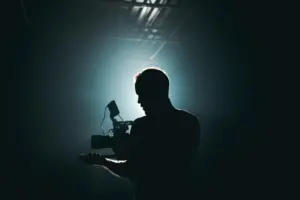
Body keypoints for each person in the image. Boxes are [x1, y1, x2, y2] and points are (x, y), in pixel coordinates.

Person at [81, 67, 201, 200]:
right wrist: (104, 160)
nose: (139, 101)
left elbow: (140, 169)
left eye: (141, 94)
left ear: (155, 92)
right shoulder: (189, 121)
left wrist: (126, 150)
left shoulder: (142, 126)